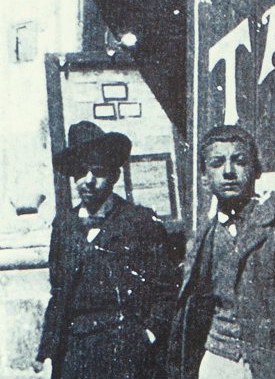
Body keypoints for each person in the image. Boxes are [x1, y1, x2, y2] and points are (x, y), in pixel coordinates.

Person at [166, 124, 275, 379]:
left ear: (257, 170)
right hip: (216, 363)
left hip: (270, 368)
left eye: (239, 161)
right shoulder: (205, 236)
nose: (228, 172)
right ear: (205, 178)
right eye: (217, 163)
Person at [34, 121, 176, 379]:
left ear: (114, 175)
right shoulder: (64, 225)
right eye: (80, 172)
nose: (88, 181)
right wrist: (46, 352)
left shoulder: (139, 222)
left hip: (124, 349)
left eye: (97, 171)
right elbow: (58, 292)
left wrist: (148, 334)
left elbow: (165, 289)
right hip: (74, 351)